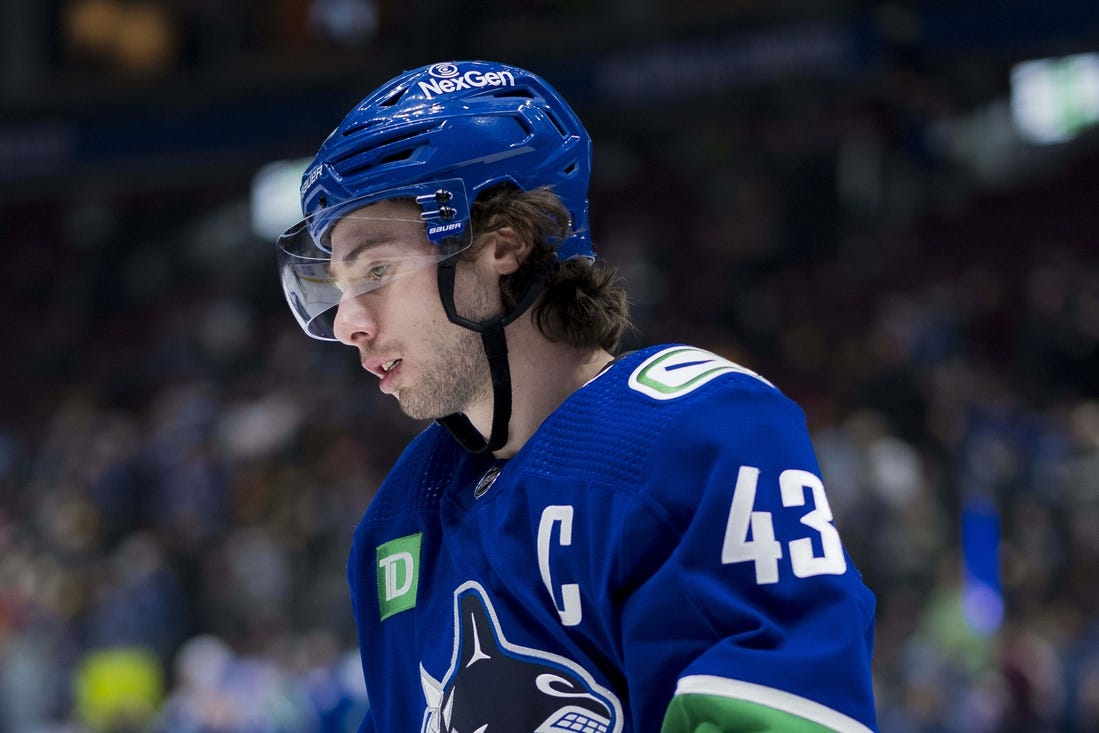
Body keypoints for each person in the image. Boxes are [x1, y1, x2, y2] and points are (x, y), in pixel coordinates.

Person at [276, 60, 879, 733]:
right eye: (335, 286)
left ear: (503, 243)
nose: (348, 322)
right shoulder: (398, 519)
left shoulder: (695, 433)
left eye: (376, 270)